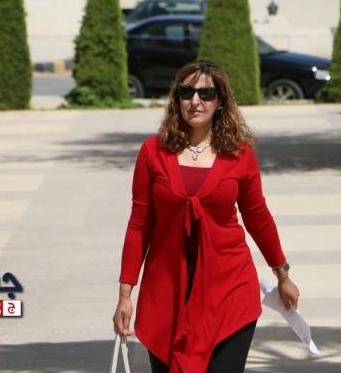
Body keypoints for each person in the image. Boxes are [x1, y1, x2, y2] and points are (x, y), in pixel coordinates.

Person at [112, 60, 300, 373]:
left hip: (228, 289)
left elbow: (258, 217)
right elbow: (139, 224)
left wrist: (282, 275)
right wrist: (125, 294)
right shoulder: (153, 151)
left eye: (206, 93)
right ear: (176, 99)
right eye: (186, 92)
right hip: (167, 293)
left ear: (220, 100)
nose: (195, 101)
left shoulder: (239, 154)